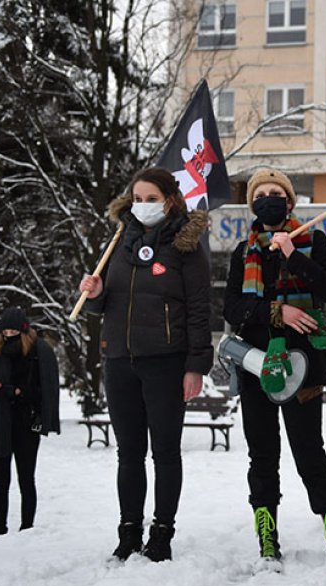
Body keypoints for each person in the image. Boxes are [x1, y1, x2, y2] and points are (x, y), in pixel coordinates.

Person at [79, 167, 212, 562]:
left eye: (151, 199)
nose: (143, 206)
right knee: (129, 453)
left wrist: (196, 366)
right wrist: (97, 294)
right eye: (137, 199)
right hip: (120, 359)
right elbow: (106, 304)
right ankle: (129, 531)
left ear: (169, 201)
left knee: (165, 453)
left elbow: (200, 311)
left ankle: (163, 532)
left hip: (166, 364)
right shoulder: (119, 242)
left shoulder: (186, 247)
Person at [224, 169, 326, 563]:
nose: (268, 198)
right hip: (256, 366)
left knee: (309, 451)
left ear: (290, 201)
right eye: (260, 194)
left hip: (305, 364)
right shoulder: (243, 253)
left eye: (276, 192)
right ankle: (266, 535)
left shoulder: (312, 240)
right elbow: (232, 308)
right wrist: (280, 312)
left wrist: (294, 256)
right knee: (262, 454)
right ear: (253, 205)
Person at [0, 307, 60, 536]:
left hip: (25, 423)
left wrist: (14, 392)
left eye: (13, 330)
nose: (8, 335)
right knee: (0, 481)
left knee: (26, 478)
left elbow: (42, 392)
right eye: (4, 331)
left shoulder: (35, 355)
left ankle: (27, 529)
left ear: (23, 331)